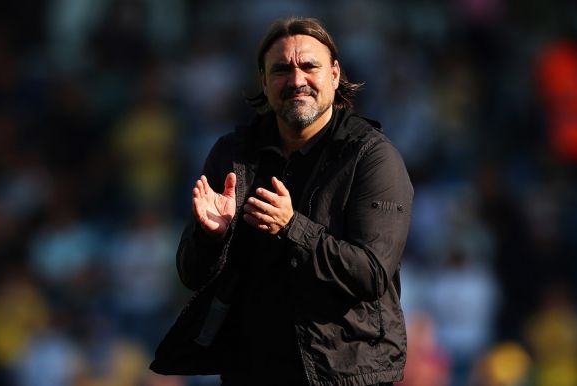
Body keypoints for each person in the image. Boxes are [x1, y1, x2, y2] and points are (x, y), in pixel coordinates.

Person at [150, 17, 414, 386]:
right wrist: (211, 238)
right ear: (263, 81)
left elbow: (370, 274)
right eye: (281, 70)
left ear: (335, 75)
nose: (296, 80)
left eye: (309, 66)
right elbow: (191, 274)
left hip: (345, 374)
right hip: (250, 371)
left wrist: (292, 228)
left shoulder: (372, 157)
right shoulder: (233, 154)